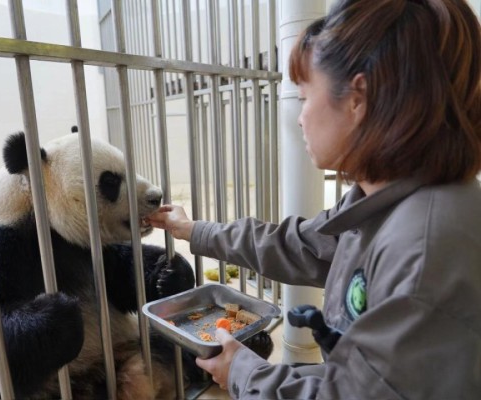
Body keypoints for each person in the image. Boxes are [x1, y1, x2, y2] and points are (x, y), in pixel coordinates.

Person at [148, 0, 481, 398]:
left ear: (360, 98)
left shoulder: (424, 248)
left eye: (305, 96)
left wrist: (245, 373)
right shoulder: (384, 199)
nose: (300, 116)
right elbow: (302, 245)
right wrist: (193, 230)